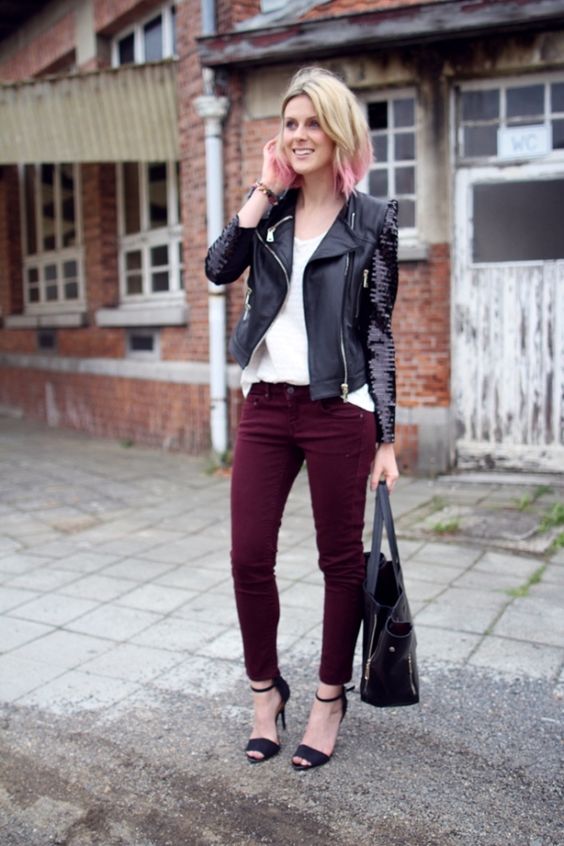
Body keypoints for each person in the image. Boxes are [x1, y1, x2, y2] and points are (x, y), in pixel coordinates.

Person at [205, 66, 399, 770]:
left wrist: (386, 436)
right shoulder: (272, 212)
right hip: (266, 405)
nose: (299, 134)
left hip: (338, 408)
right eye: (289, 123)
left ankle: (328, 697)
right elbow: (218, 269)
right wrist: (262, 190)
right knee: (247, 555)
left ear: (338, 130)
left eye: (313, 122)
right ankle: (266, 692)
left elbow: (378, 329)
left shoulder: (373, 220)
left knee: (339, 561)